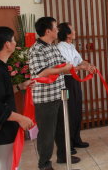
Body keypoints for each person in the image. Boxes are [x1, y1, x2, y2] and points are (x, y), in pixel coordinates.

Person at [29, 17, 80, 170]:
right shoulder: (36, 49)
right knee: (47, 134)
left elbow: (62, 64)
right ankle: (44, 164)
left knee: (62, 129)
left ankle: (63, 156)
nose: (58, 30)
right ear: (47, 31)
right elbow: (42, 72)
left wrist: (74, 66)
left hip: (59, 94)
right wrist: (63, 69)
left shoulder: (53, 47)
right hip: (45, 98)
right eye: (55, 27)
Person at [0, 27, 34, 170]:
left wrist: (20, 86)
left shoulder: (2, 67)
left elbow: (2, 93)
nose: (15, 42)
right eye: (13, 39)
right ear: (7, 44)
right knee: (5, 165)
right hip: (2, 132)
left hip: (7, 129)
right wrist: (20, 118)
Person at [57, 22, 96, 154]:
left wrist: (88, 65)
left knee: (77, 109)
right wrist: (81, 67)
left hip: (74, 81)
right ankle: (69, 143)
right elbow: (66, 68)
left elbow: (79, 61)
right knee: (69, 111)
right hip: (65, 82)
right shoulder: (60, 48)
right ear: (67, 34)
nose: (75, 31)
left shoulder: (71, 46)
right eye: (73, 29)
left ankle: (76, 138)